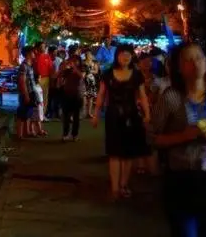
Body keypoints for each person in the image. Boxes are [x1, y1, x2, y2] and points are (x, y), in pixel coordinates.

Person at [152, 43, 206, 237]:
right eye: (188, 60)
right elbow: (153, 138)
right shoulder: (171, 98)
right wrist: (183, 136)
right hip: (181, 181)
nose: (195, 63)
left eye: (199, 58)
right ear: (179, 67)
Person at [92, 44, 151, 200]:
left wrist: (147, 114)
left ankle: (124, 184)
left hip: (132, 116)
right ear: (117, 56)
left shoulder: (137, 75)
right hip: (113, 116)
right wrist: (96, 114)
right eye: (122, 54)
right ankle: (115, 187)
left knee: (128, 154)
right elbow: (101, 94)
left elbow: (142, 95)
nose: (125, 57)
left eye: (128, 54)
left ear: (132, 56)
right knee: (114, 153)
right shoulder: (107, 74)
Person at [59, 52, 84, 142]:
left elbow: (82, 76)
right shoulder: (68, 70)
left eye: (75, 61)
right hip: (67, 94)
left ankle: (75, 134)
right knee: (66, 117)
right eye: (72, 60)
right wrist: (63, 65)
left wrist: (74, 67)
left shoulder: (82, 68)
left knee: (76, 117)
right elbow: (60, 75)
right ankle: (65, 134)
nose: (73, 62)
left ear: (79, 61)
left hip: (77, 95)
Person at [17, 46, 39, 139]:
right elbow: (22, 81)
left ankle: (27, 132)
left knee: (28, 113)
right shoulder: (24, 66)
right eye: (33, 52)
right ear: (28, 54)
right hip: (26, 93)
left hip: (31, 92)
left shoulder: (29, 65)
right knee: (22, 114)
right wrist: (26, 95)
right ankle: (20, 134)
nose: (34, 54)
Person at [34, 41, 53, 117]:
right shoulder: (34, 56)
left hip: (46, 78)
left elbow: (51, 68)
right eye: (42, 46)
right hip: (36, 79)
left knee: (45, 98)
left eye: (44, 46)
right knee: (37, 97)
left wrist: (51, 79)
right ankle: (36, 115)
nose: (43, 48)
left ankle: (42, 115)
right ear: (37, 47)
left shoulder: (47, 56)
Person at [82, 50, 99, 119]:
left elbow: (96, 71)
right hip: (84, 80)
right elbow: (81, 71)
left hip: (91, 80)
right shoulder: (83, 62)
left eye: (89, 54)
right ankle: (83, 112)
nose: (88, 56)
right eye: (87, 54)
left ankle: (89, 113)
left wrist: (90, 71)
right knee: (84, 97)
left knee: (91, 97)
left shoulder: (94, 63)